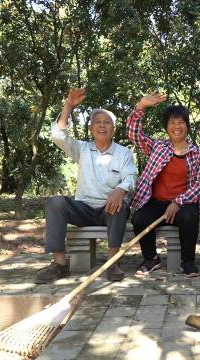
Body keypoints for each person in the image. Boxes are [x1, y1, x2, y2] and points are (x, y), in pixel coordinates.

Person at [35, 88, 137, 284]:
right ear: (91, 128)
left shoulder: (123, 152)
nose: (102, 126)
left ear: (113, 129)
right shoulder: (81, 149)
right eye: (97, 122)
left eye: (107, 123)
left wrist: (120, 190)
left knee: (120, 204)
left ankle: (112, 263)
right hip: (84, 208)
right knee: (56, 203)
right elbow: (58, 136)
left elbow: (131, 176)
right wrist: (68, 106)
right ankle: (60, 264)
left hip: (109, 209)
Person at [127, 91, 200, 278]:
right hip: (157, 202)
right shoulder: (158, 147)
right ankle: (151, 258)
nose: (176, 126)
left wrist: (178, 202)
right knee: (139, 218)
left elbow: (199, 184)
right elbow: (134, 135)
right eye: (172, 122)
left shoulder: (198, 154)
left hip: (184, 204)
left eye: (180, 122)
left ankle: (188, 262)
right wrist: (140, 107)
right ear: (166, 127)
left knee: (189, 217)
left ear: (187, 126)